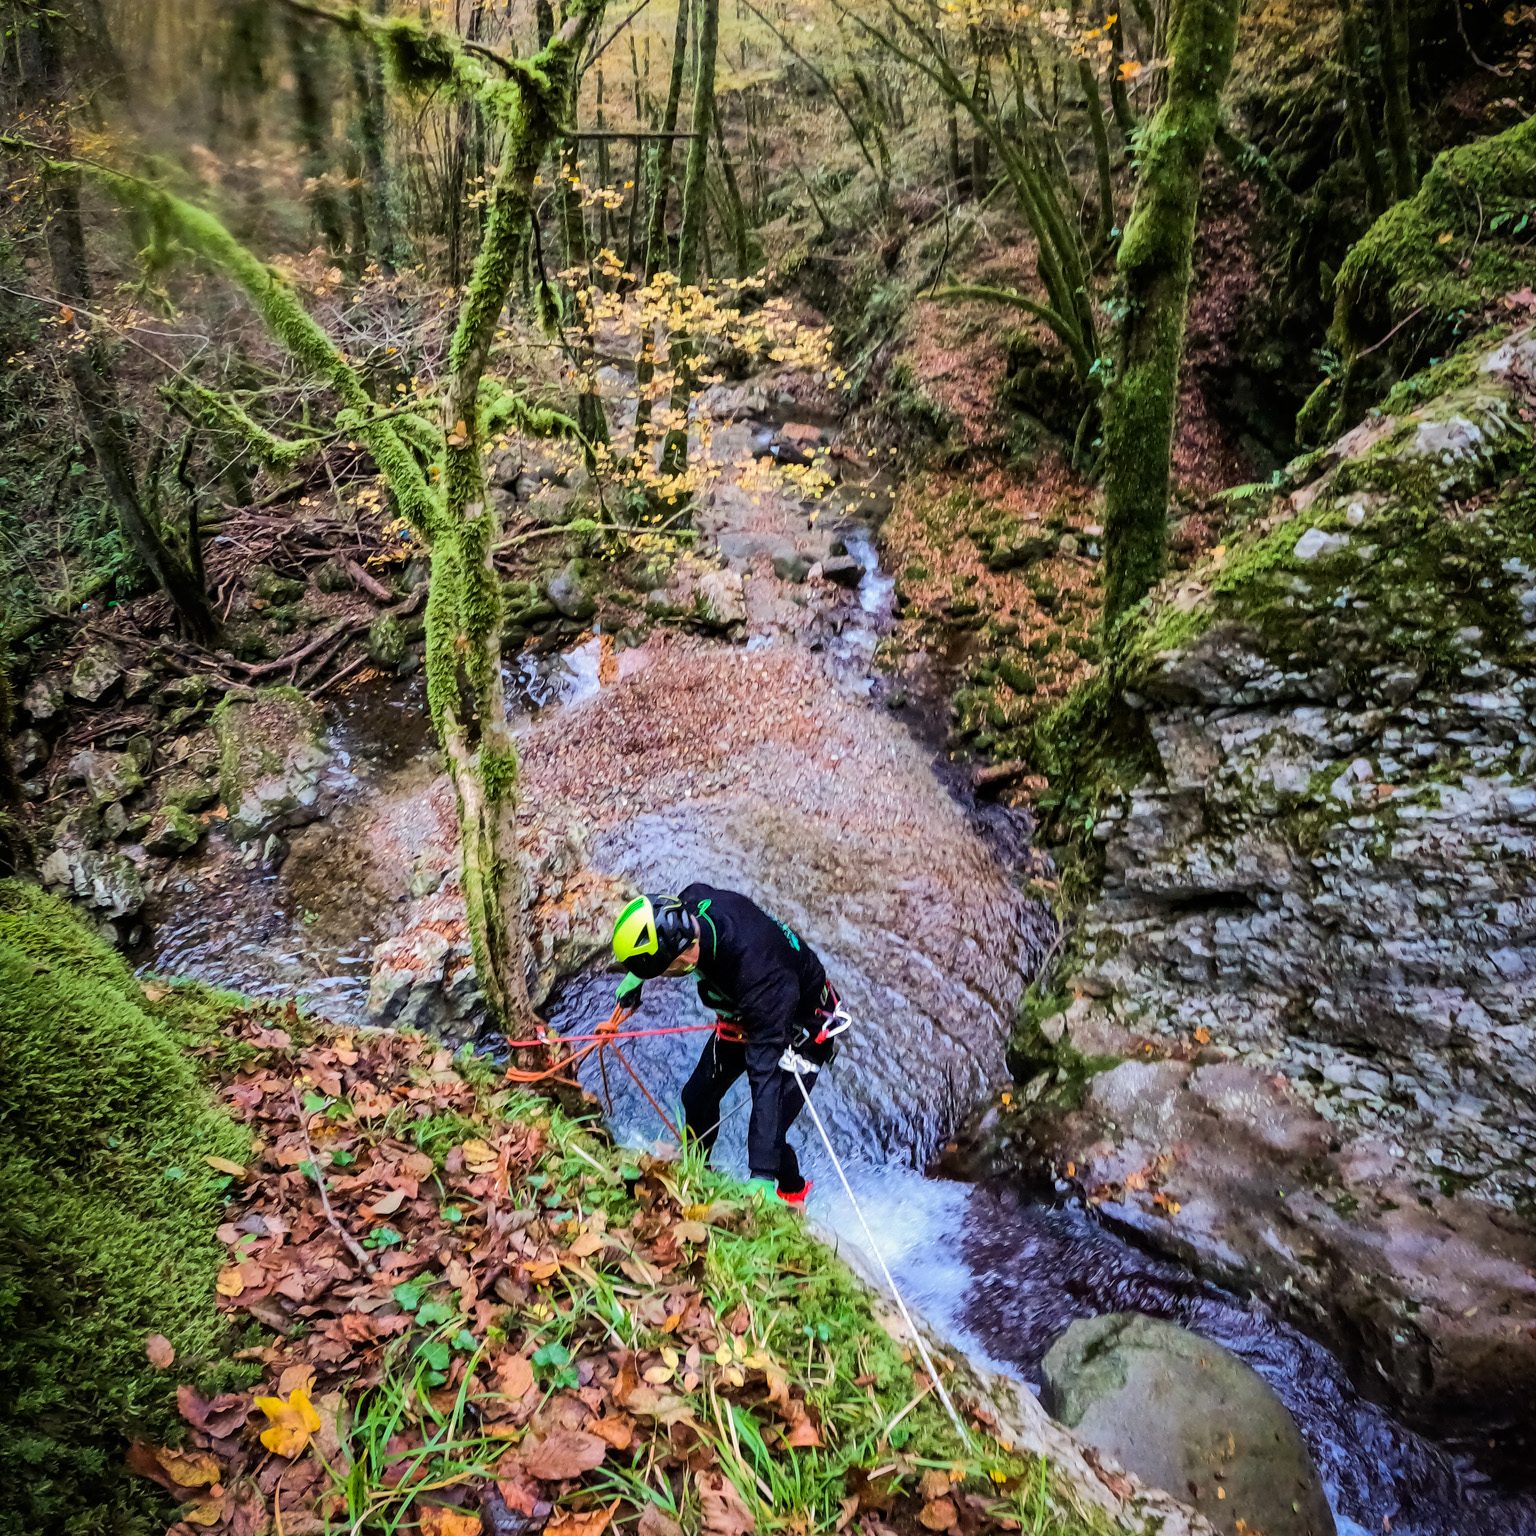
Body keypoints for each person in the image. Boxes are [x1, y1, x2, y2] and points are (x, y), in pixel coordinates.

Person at [608, 885, 849, 1204]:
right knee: (696, 1097)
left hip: (801, 1030)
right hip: (745, 1013)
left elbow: (764, 1076)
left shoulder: (761, 975)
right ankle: (697, 1168)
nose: (664, 977)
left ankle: (791, 1192)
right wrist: (638, 976)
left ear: (681, 957)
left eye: (662, 971)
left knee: (772, 1137)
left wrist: (759, 1175)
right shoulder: (689, 908)